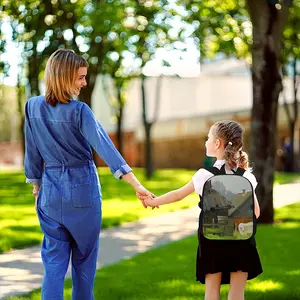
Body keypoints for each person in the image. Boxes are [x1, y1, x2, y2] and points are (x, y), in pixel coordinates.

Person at [24, 48, 154, 300]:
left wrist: (37, 188)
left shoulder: (32, 107)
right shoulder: (79, 111)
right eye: (80, 77)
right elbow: (106, 148)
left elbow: (32, 153)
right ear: (63, 77)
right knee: (83, 264)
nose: (84, 83)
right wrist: (136, 184)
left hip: (49, 194)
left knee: (53, 265)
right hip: (82, 191)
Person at [145, 120, 263, 300]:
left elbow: (178, 195)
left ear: (217, 144)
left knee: (211, 293)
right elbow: (256, 212)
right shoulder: (246, 176)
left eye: (208, 138)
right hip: (241, 241)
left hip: (213, 242)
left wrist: (154, 201)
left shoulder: (205, 175)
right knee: (237, 295)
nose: (205, 142)